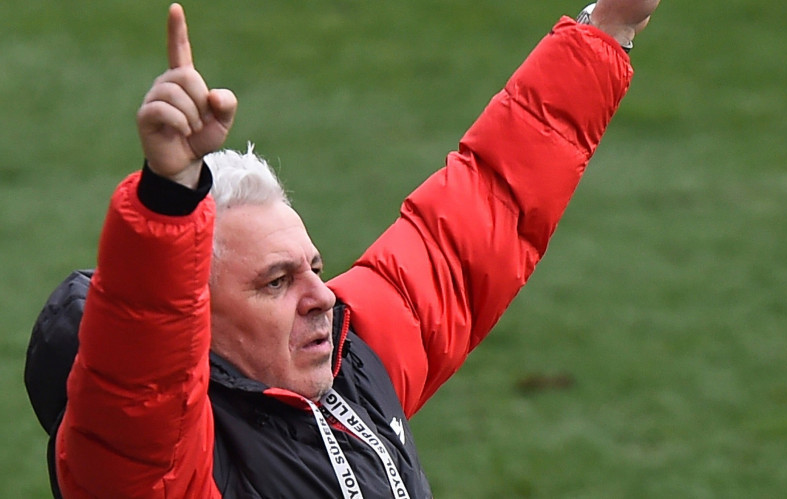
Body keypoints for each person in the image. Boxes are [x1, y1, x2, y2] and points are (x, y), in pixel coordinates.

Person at [26, 0, 660, 497]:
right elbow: (140, 379)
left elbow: (479, 212)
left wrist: (608, 25)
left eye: (314, 268)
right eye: (275, 282)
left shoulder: (347, 365)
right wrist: (169, 193)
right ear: (196, 324)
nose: (322, 297)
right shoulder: (156, 472)